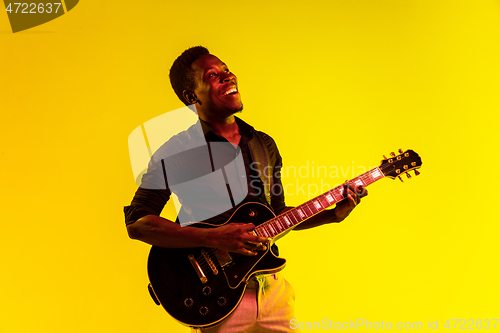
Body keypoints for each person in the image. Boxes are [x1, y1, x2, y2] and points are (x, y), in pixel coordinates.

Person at [124, 46, 367, 332]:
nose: (227, 76)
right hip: (217, 297)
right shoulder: (176, 151)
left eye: (226, 69)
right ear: (192, 97)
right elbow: (138, 224)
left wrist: (332, 215)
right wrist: (214, 237)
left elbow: (276, 215)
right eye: (213, 75)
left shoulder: (263, 144)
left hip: (272, 290)